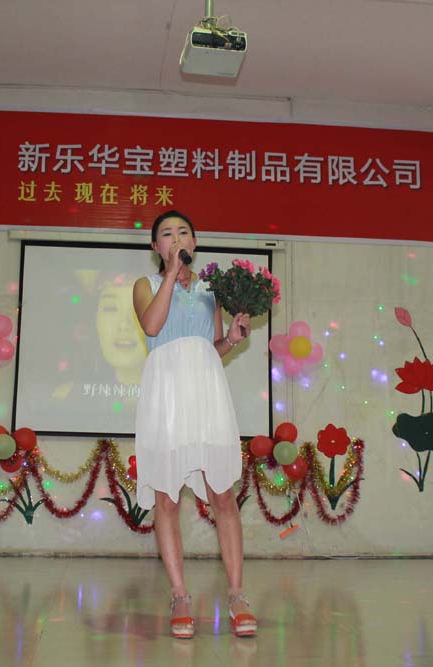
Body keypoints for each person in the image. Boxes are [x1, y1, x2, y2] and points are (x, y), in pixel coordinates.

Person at [132, 209, 256, 639]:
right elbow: (152, 326)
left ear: (195, 241)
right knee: (167, 497)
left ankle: (237, 595)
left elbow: (211, 347)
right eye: (167, 234)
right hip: (165, 396)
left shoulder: (210, 290)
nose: (176, 238)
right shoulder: (145, 285)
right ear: (156, 246)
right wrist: (171, 274)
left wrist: (232, 339)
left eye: (183, 232)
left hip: (206, 394)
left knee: (222, 493)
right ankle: (180, 596)